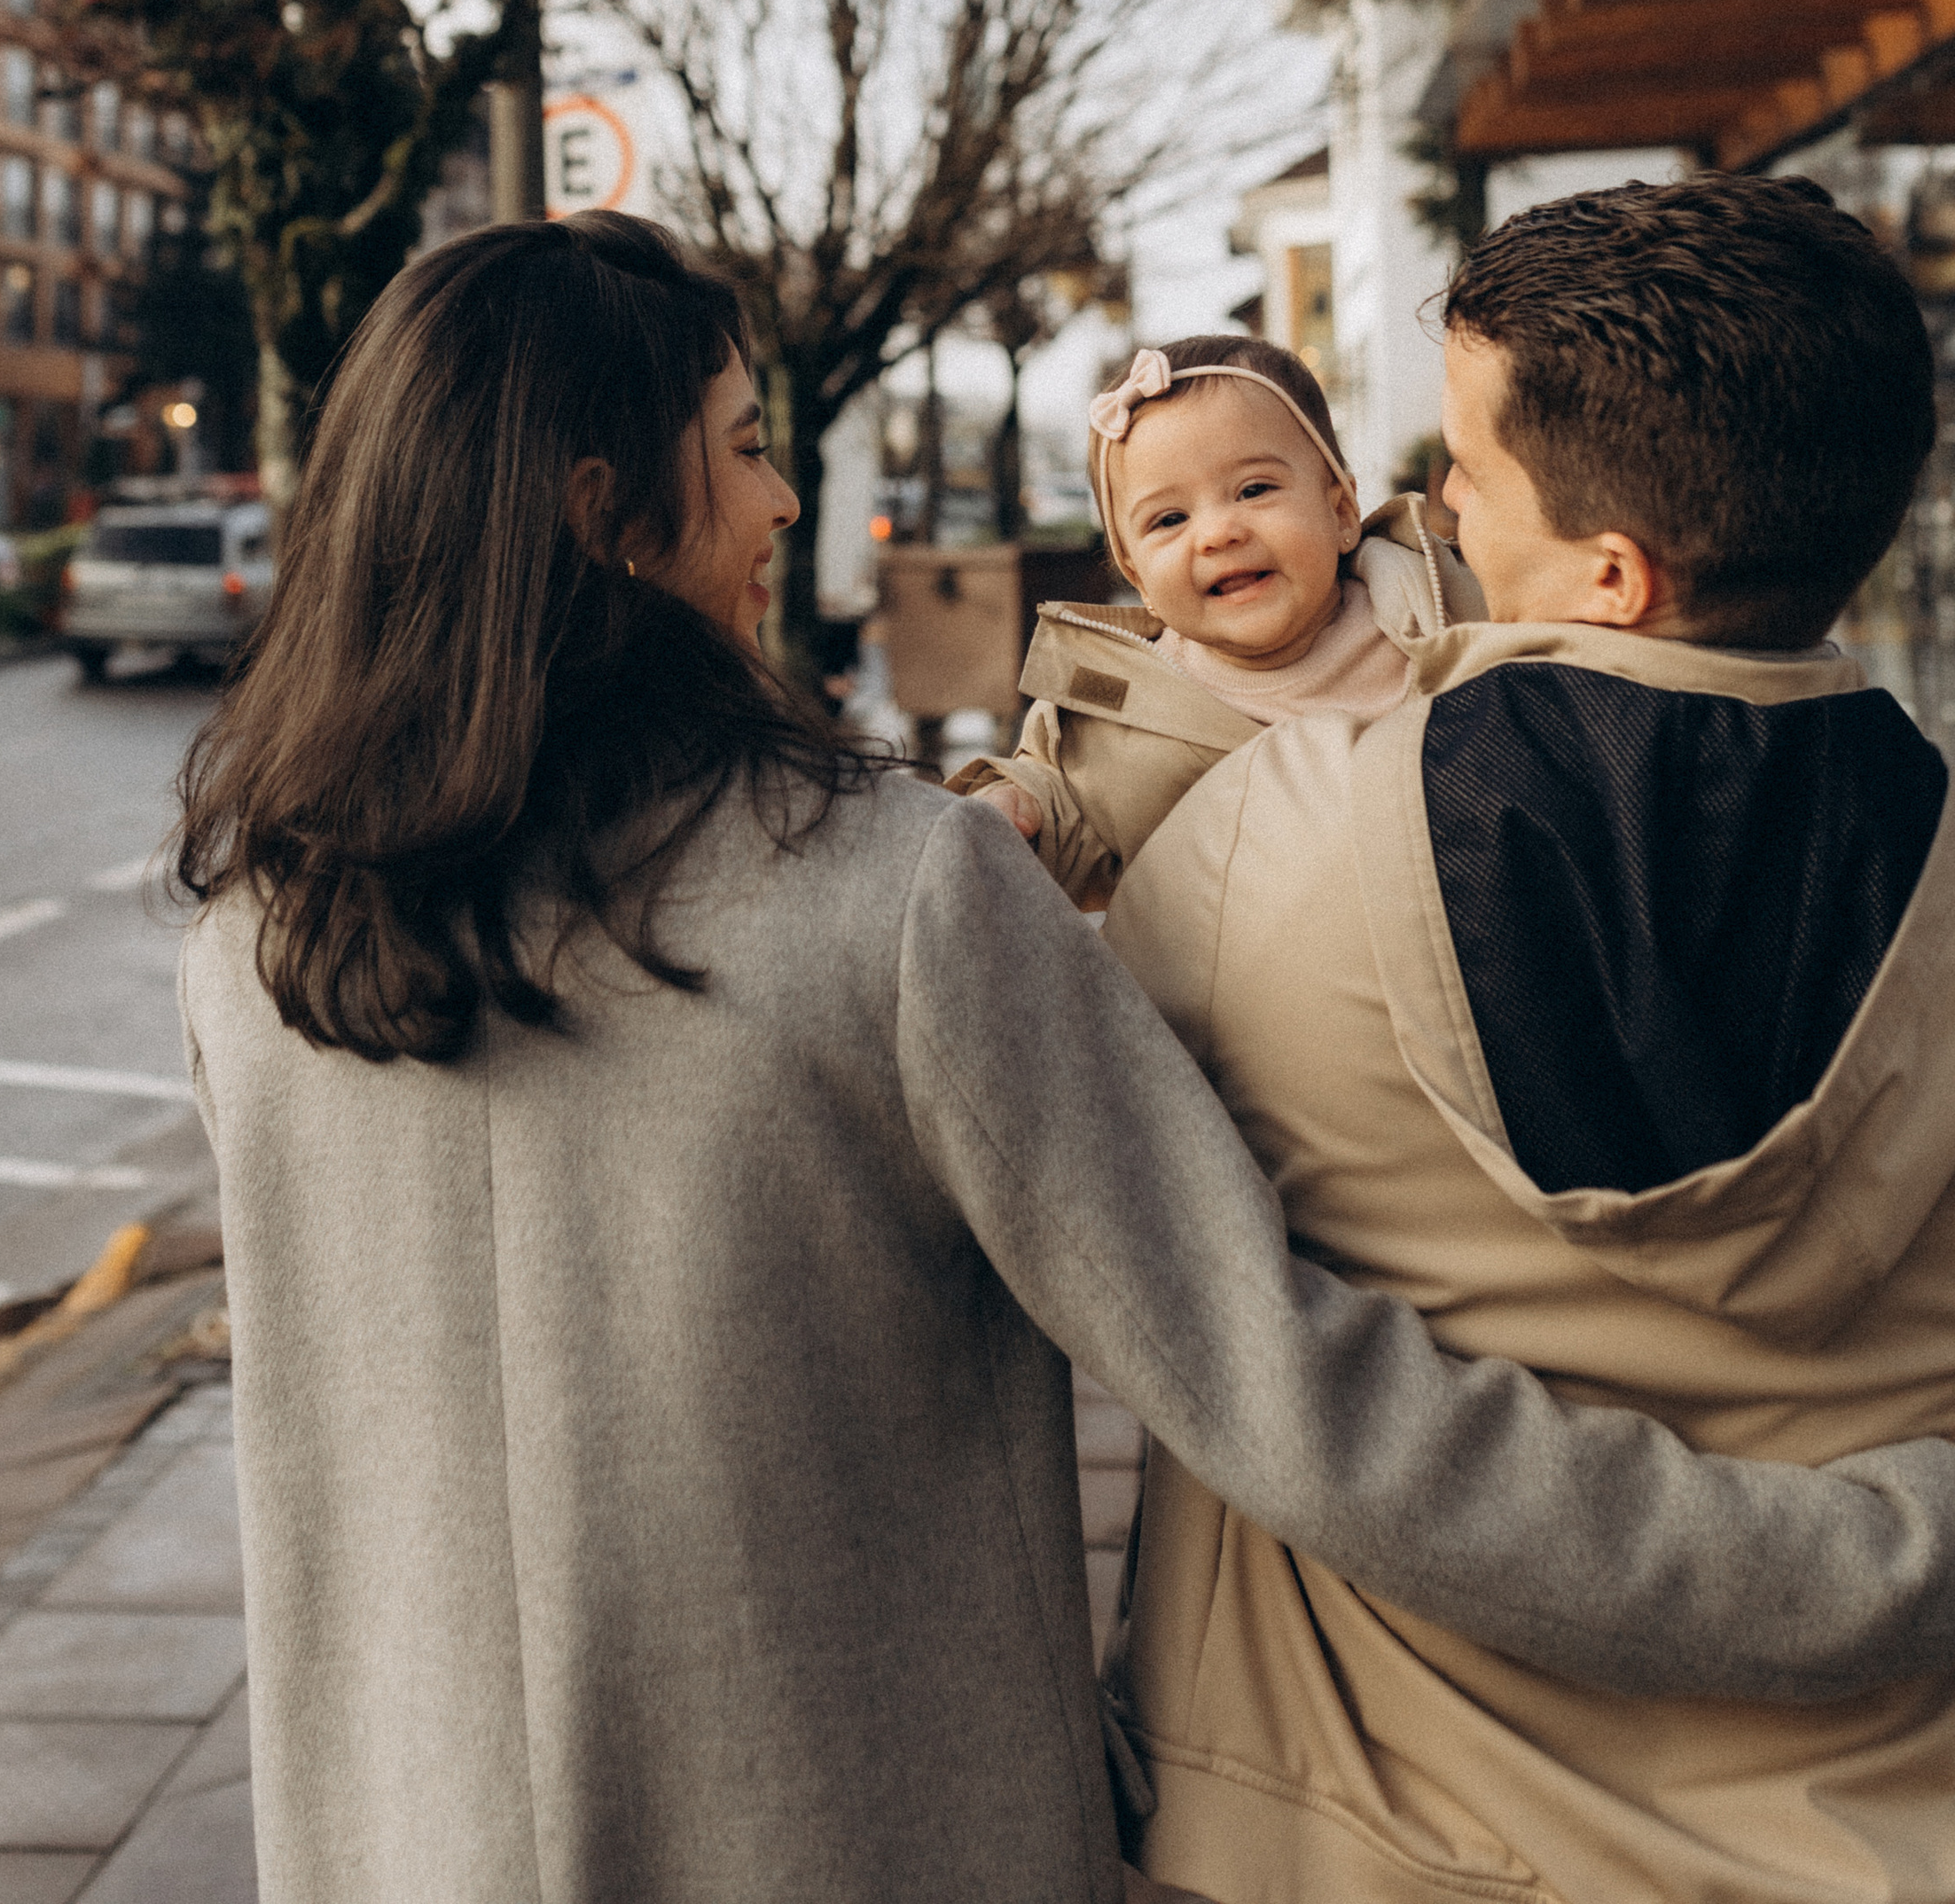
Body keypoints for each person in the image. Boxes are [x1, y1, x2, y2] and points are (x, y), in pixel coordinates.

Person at [176, 211, 1955, 1904]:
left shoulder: (252, 950)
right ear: (601, 513)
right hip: (855, 1839)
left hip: (400, 1843)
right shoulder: (884, 899)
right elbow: (1297, 1403)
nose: (787, 498)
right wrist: (1863, 1562)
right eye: (738, 448)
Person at [1099, 173, 1955, 1904]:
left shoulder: (1257, 862)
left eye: (1464, 474)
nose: (1432, 508)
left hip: (1377, 1837)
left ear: (1613, 574)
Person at [950, 333, 1482, 901]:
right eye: (1169, 519)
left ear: (1342, 513)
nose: (1218, 533)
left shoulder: (1439, 604)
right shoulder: (1127, 712)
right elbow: (1070, 802)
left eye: (1254, 489)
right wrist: (1018, 808)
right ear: (1138, 579)